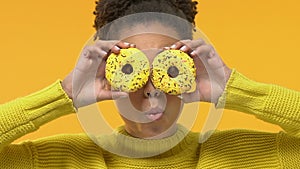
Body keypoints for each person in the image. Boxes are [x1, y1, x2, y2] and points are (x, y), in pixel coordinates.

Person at [0, 0, 299, 168]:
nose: (150, 87)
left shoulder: (243, 157)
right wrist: (65, 95)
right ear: (105, 72)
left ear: (190, 66)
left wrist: (234, 91)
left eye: (164, 68)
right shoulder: (64, 160)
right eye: (133, 67)